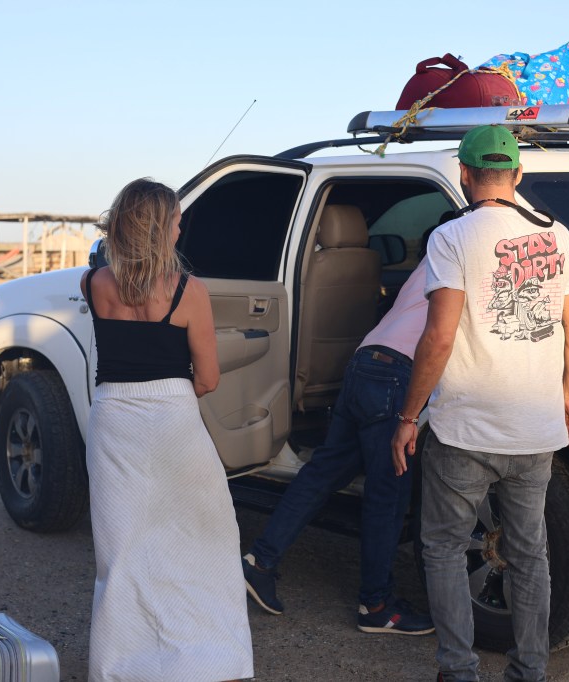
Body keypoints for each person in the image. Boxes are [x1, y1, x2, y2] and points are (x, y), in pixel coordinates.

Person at [391, 125, 569, 682]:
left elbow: (437, 337)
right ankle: (530, 670)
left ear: (464, 174)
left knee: (444, 549)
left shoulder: (452, 237)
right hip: (536, 428)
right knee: (531, 555)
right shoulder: (558, 236)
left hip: (465, 430)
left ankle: (458, 670)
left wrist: (408, 417)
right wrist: (568, 396)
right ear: (518, 175)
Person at [80, 178, 253, 682]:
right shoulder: (187, 291)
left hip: (113, 418)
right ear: (160, 229)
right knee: (206, 541)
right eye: (177, 219)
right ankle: (208, 661)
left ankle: (120, 667)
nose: (182, 226)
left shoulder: (94, 284)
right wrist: (172, 394)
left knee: (122, 550)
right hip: (174, 421)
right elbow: (209, 377)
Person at [243, 255, 435, 635]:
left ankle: (259, 562)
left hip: (365, 361)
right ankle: (377, 605)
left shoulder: (433, 257)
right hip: (399, 374)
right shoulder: (475, 256)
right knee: (387, 493)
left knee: (322, 473)